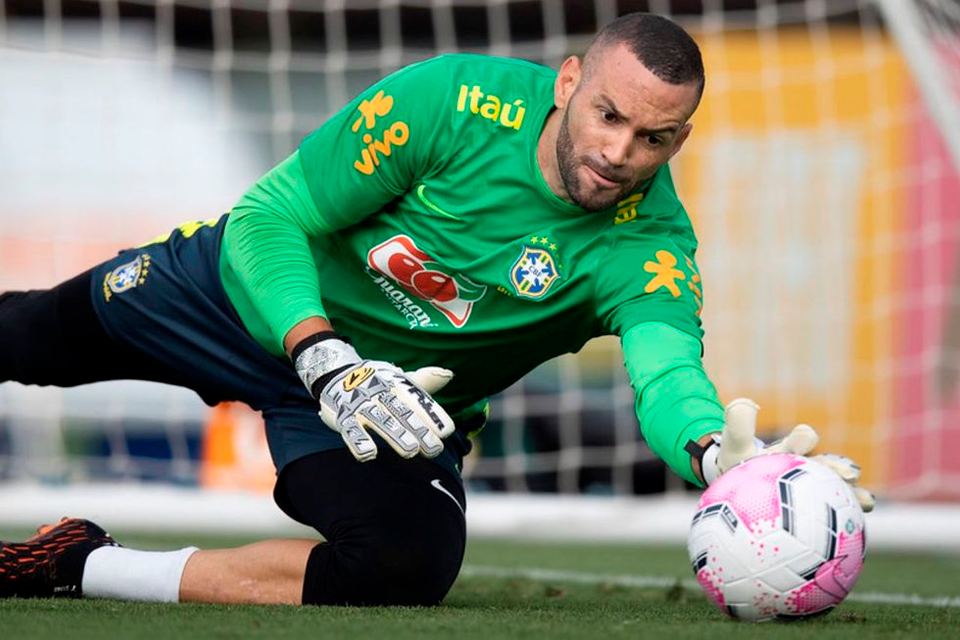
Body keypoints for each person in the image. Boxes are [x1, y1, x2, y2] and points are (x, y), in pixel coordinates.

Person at [0, 13, 873, 606]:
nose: (618, 154)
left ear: (679, 138)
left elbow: (666, 371)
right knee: (26, 335)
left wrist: (714, 450)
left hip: (394, 405)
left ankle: (82, 564)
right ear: (568, 82)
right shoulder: (452, 103)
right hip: (243, 300)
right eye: (608, 116)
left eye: (653, 139)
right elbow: (273, 217)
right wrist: (322, 355)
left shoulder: (647, 248)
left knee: (405, 563)